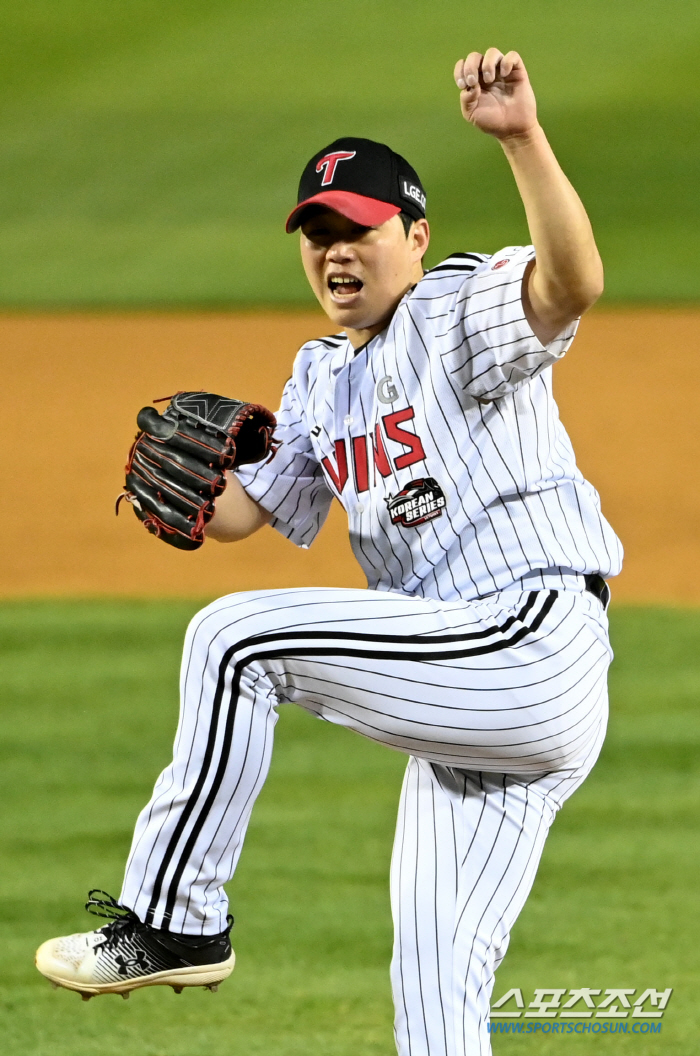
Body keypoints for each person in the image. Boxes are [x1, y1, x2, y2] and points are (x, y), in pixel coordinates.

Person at [36, 48, 622, 1056]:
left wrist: (522, 138)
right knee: (435, 998)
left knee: (235, 641)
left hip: (530, 643)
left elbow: (572, 283)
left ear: (414, 236)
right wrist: (184, 491)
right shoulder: (319, 378)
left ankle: (176, 918)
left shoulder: (452, 309)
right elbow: (245, 514)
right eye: (317, 234)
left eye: (357, 230)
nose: (334, 252)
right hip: (464, 707)